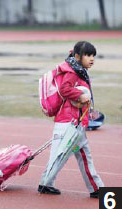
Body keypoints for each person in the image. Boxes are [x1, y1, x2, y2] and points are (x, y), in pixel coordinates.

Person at [38, 41, 104, 198]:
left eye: (93, 55)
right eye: (88, 55)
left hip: (76, 124)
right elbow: (64, 89)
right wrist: (81, 96)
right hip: (68, 124)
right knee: (61, 155)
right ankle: (46, 183)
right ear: (77, 56)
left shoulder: (79, 71)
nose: (92, 59)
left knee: (82, 156)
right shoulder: (73, 72)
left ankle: (96, 189)